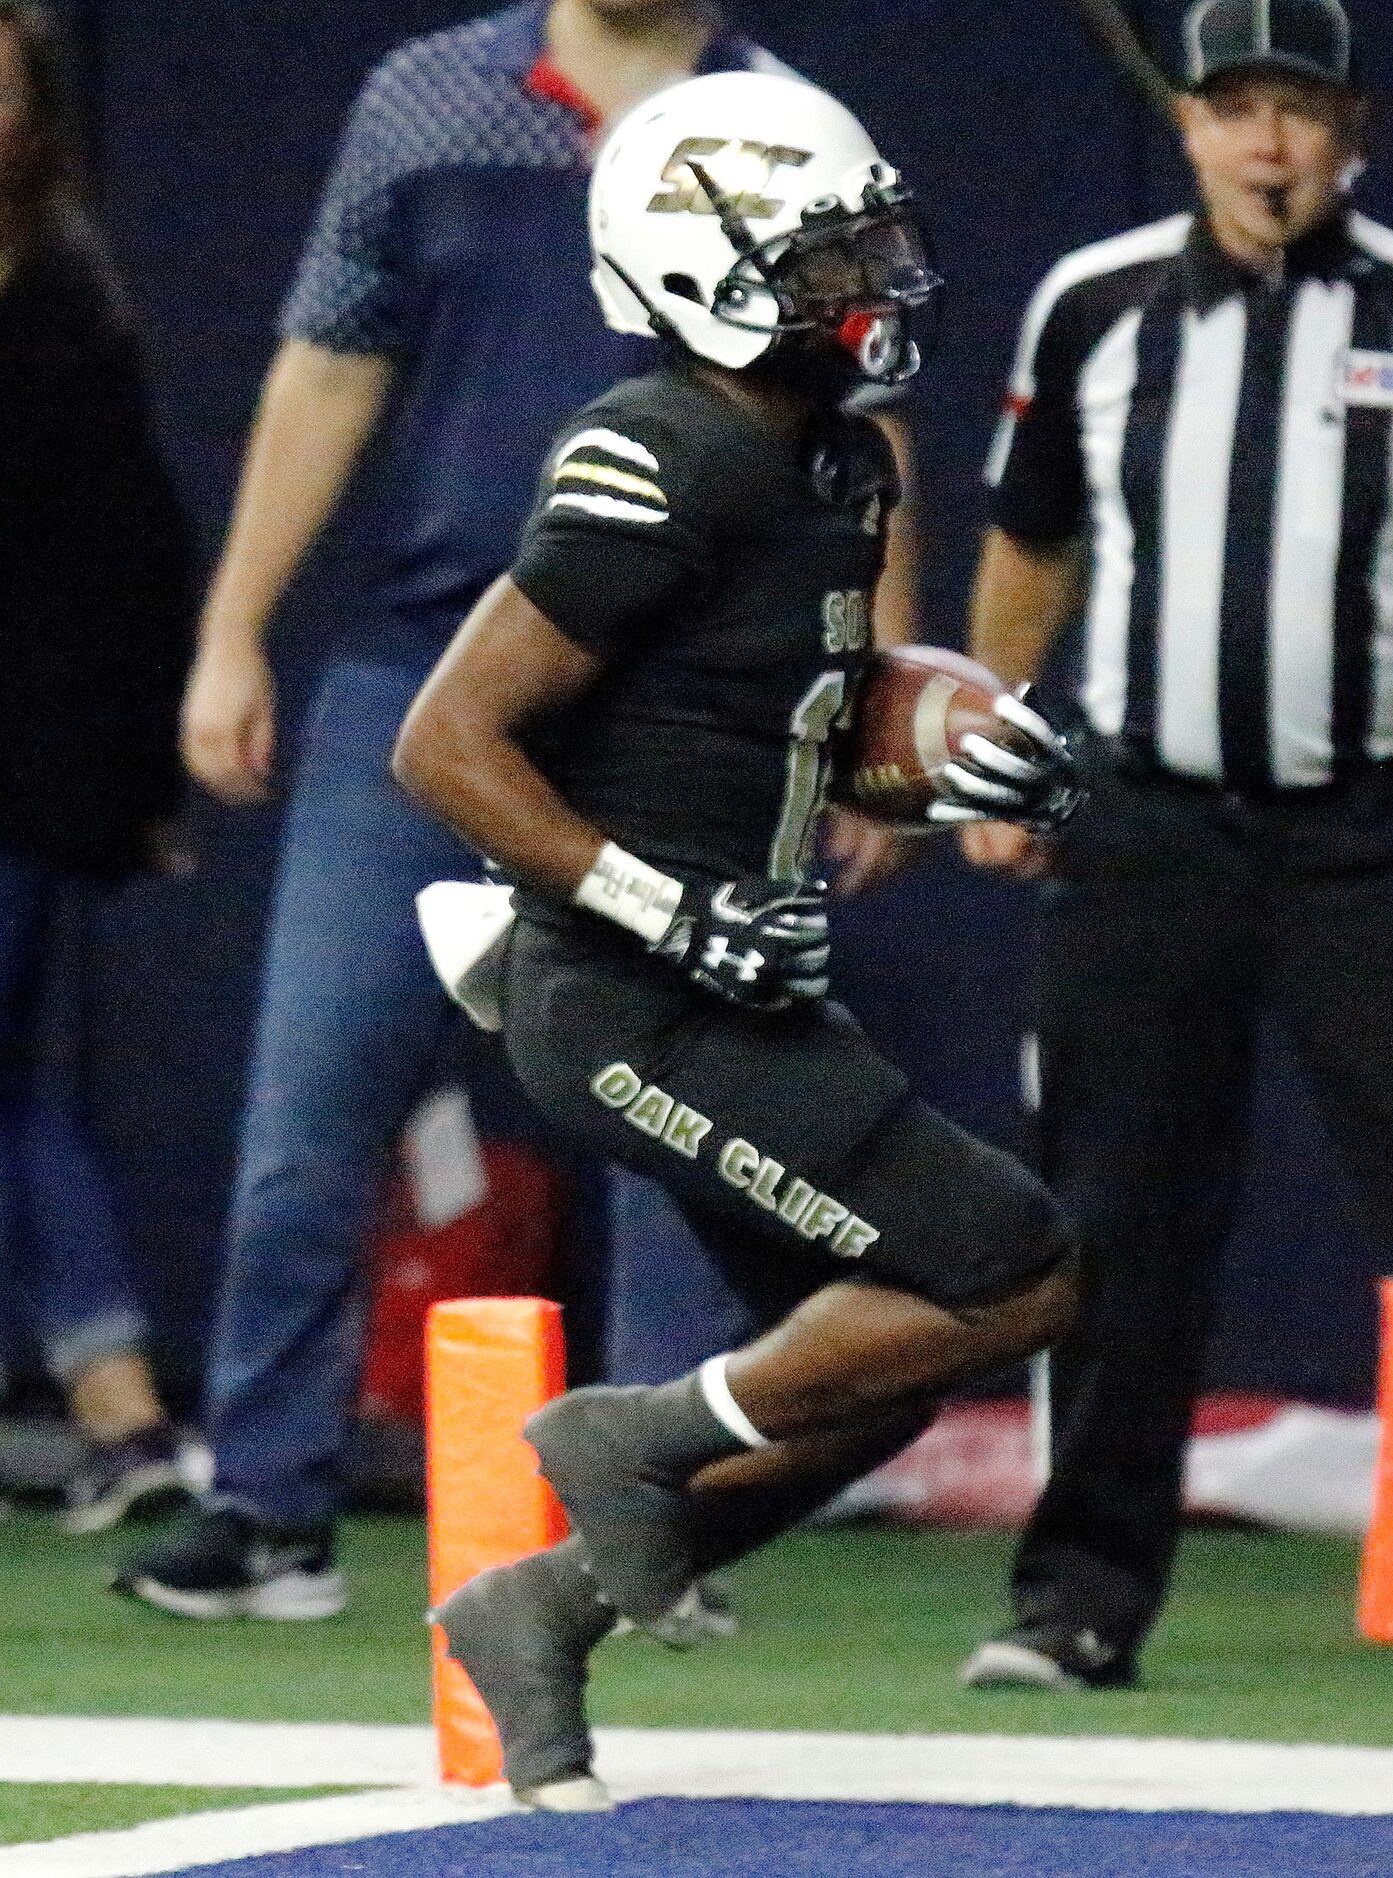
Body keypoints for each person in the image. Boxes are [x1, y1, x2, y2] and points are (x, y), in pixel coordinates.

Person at [393, 69, 1080, 1812]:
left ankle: (534, 1612)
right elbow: (446, 742)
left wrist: (937, 741)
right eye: (829, 258)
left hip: (727, 979)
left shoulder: (831, 455)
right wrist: (656, 897)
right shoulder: (665, 447)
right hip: (623, 988)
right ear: (705, 271)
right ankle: (633, 1436)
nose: (873, 288)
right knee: (1010, 1268)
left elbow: (772, 709)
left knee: (884, 1370)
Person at [115, 1, 849, 1621]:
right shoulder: (425, 97)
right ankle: (265, 1508)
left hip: (678, 702)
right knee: (311, 1104)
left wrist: (850, 699)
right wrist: (236, 625)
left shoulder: (782, 121)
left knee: (677, 1124)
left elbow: (850, 422)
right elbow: (329, 358)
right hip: (422, 676)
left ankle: (655, 1530)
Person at [957, 0, 1393, 1691]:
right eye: (1234, 109)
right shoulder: (1097, 303)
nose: (1266, 145)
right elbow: (1029, 542)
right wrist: (992, 761)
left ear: (1347, 130)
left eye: (1297, 110)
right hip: (1143, 827)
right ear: (1186, 123)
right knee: (1110, 1220)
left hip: (1364, 827)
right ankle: (1074, 1597)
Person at [0, 1, 194, 1531]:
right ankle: (121, 1413)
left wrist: (138, 776)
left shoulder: (67, 303)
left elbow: (130, 560)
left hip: (20, 774)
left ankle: (125, 1416)